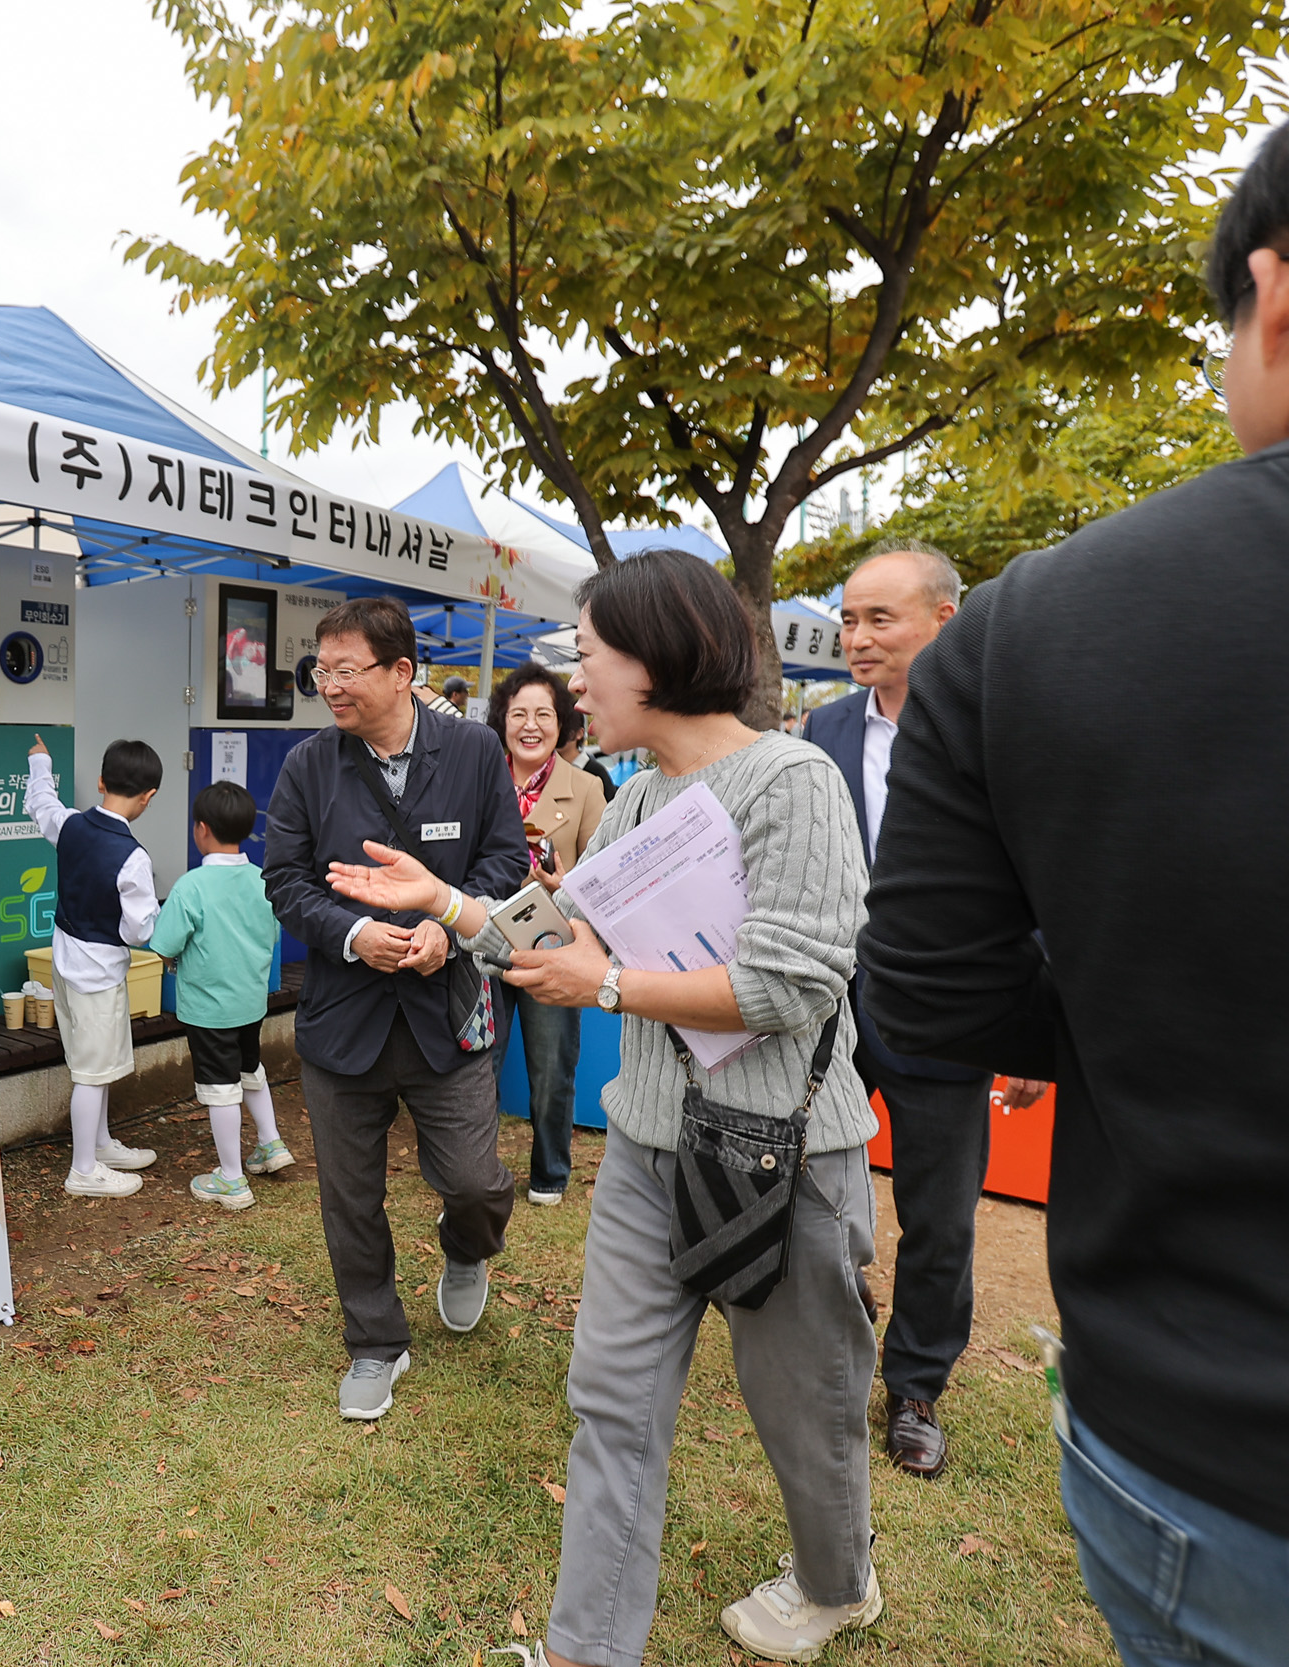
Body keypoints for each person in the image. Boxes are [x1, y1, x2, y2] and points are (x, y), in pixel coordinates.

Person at [860, 29, 1289, 1659]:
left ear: (1283, 294)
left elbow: (920, 997)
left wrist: (1131, 996)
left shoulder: (1044, 620)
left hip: (1217, 1466)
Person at [330, 548, 881, 1664]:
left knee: (804, 1404)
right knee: (613, 1402)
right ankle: (586, 1649)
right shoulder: (636, 801)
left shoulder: (792, 780)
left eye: (587, 655)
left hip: (782, 1155)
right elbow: (555, 942)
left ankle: (836, 1580)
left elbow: (790, 980)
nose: (572, 683)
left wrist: (615, 985)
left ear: (659, 653)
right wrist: (445, 901)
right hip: (645, 1148)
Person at [808, 539, 1046, 1480]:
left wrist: (1032, 1019)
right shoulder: (821, 731)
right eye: (848, 618)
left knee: (940, 1214)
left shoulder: (1005, 730)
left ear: (944, 621)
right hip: (830, 1007)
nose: (856, 636)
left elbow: (1045, 874)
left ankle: (916, 1387)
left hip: (951, 1017)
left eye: (879, 617)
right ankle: (837, 1315)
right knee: (812, 1179)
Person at [262, 595, 526, 1420]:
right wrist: (352, 933)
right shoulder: (310, 764)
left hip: (448, 1010)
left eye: (347, 669)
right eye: (321, 669)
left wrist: (451, 922)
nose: (329, 685)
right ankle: (376, 1341)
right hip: (346, 1019)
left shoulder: (476, 752)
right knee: (350, 1196)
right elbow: (287, 881)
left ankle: (465, 1249)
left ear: (402, 672)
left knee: (476, 1182)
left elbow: (505, 860)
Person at [485, 663, 607, 1206]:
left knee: (554, 1063)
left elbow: (604, 878)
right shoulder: (480, 777)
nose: (530, 725)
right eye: (518, 714)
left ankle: (550, 1172)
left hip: (553, 947)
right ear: (502, 721)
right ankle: (473, 1168)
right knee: (476, 1060)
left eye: (542, 714)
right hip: (484, 940)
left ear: (562, 724)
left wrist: (567, 885)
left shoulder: (586, 787)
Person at [25, 733, 163, 1198]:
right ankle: (83, 1169)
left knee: (93, 1065)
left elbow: (41, 802)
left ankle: (100, 1144)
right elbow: (140, 930)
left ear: (101, 781)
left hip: (64, 962)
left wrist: (40, 762)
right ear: (149, 797)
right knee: (90, 1073)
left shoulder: (69, 825)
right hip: (99, 974)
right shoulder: (134, 857)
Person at [148, 781, 290, 1211]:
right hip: (251, 1001)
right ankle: (270, 1144)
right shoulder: (264, 880)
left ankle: (231, 1179)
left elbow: (164, 943)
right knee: (251, 1070)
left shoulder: (192, 886)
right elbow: (275, 931)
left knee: (219, 1088)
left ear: (201, 829)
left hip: (209, 1009)